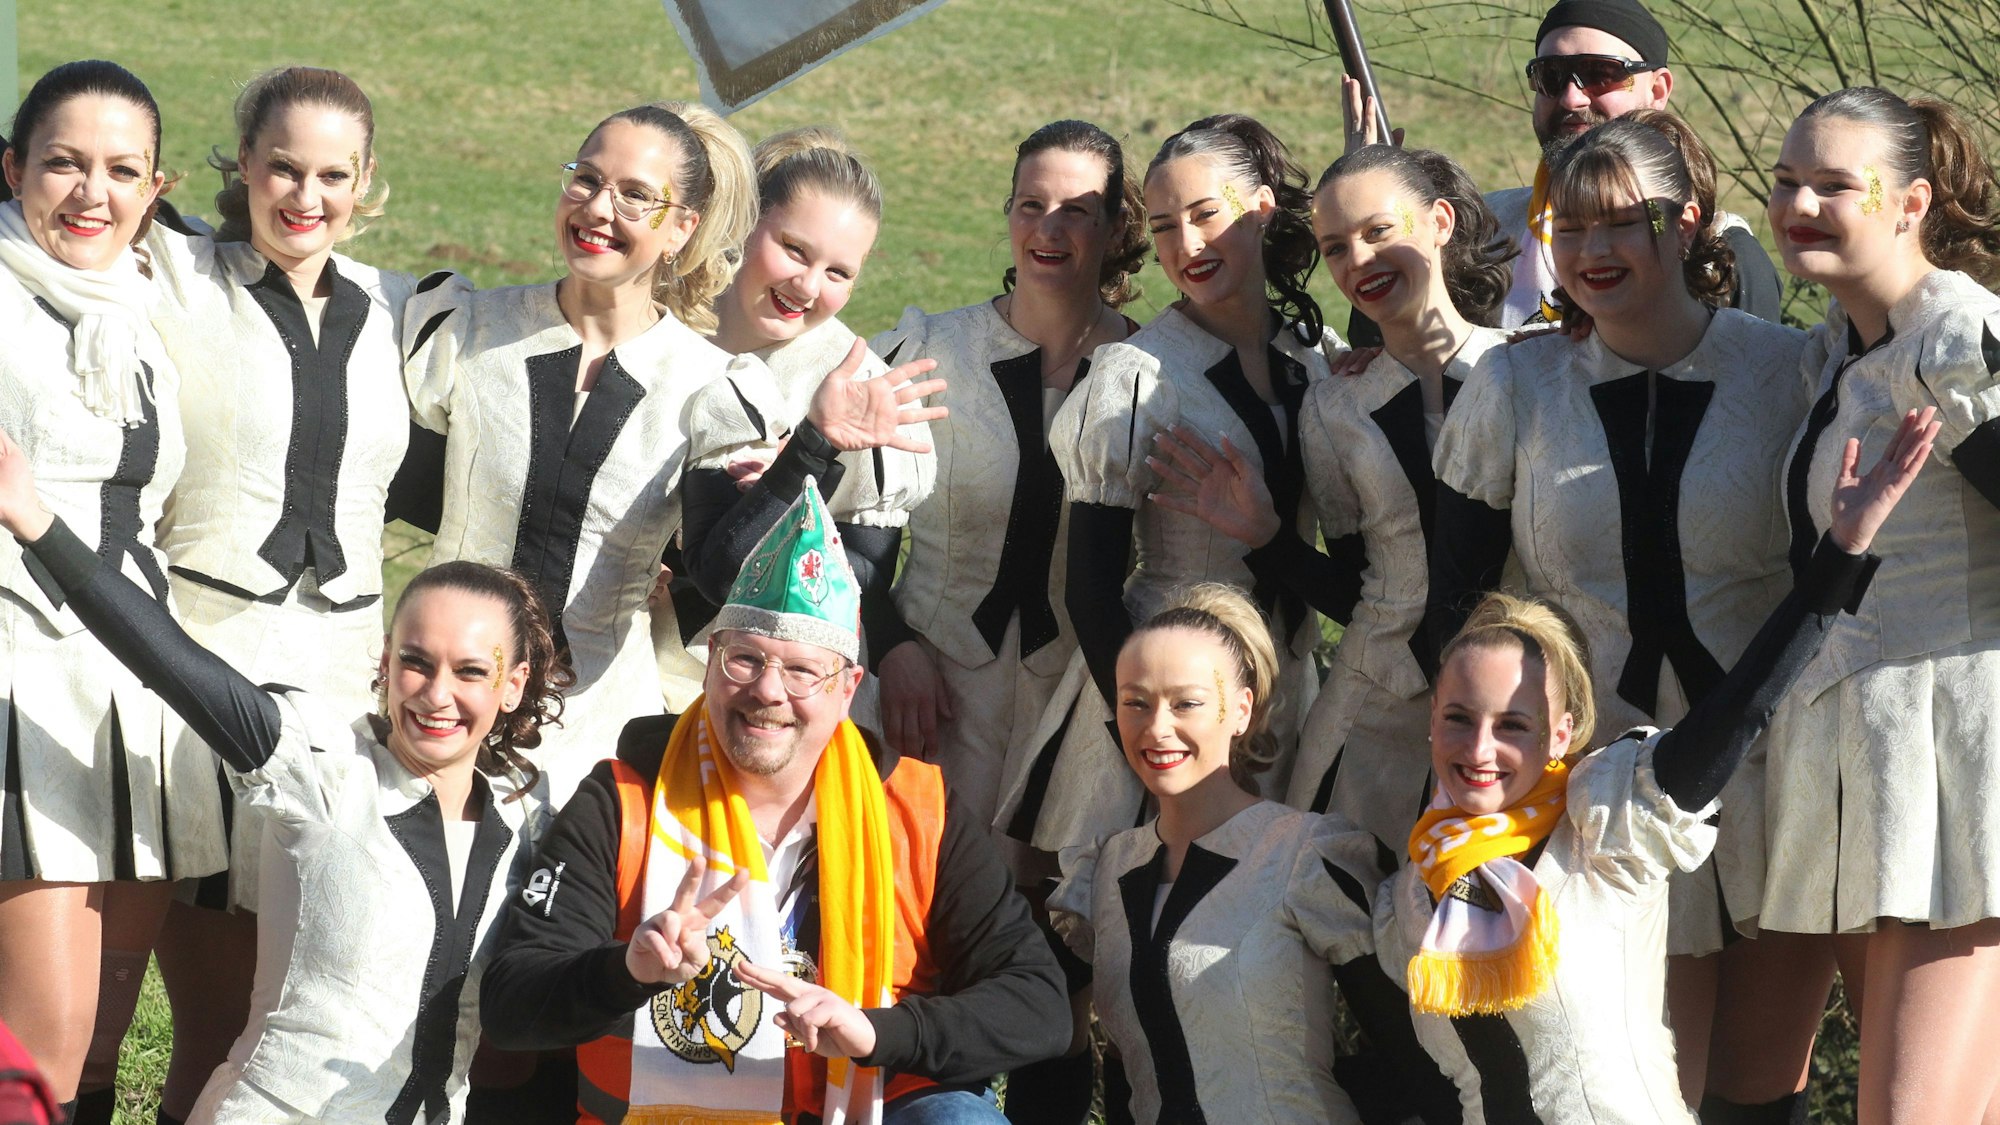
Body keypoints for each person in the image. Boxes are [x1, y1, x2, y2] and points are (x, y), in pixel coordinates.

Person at [0, 418, 572, 1123]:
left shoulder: (528, 815)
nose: (435, 693)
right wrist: (35, 521)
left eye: (470, 671)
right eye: (416, 661)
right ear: (385, 663)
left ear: (513, 684)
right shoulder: (323, 767)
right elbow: (173, 664)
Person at [1377, 393, 1925, 1119]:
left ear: (1562, 733)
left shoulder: (1607, 817)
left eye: (1513, 724)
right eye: (1458, 718)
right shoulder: (1419, 880)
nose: (1480, 747)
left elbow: (1739, 711)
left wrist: (1838, 561)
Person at [1425, 108, 1815, 1101]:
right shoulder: (1513, 383)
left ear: (1686, 223)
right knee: (1637, 1095)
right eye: (1568, 227)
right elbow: (1455, 613)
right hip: (1601, 807)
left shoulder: (1788, 371)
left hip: (1780, 776)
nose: (1590, 252)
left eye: (1617, 224)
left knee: (1758, 1095)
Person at [479, 480, 1070, 1124]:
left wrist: (879, 1032)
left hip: (871, 1102)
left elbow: (1039, 1005)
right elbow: (512, 1003)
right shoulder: (622, 800)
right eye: (745, 659)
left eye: (801, 671)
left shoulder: (918, 808)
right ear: (709, 664)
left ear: (848, 689)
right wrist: (626, 970)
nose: (767, 690)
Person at [1710, 86, 2000, 1125]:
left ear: (1908, 201)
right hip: (1856, 774)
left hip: (1958, 776)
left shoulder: (1956, 337)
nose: (1799, 203)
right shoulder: (1833, 347)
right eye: (1786, 181)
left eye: (1833, 184)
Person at [134, 66, 415, 1125]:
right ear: (240, 164)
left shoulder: (406, 309)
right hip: (197, 667)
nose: (305, 195)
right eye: (282, 167)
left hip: (343, 692)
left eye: (332, 174)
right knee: (206, 1030)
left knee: (293, 1027)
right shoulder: (172, 269)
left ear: (366, 181)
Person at [864, 118, 1146, 1124]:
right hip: (930, 694)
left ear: (1117, 227)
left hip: (1074, 703)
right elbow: (850, 530)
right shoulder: (930, 347)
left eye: (1077, 209)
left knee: (1055, 960)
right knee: (910, 932)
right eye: (1031, 203)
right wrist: (889, 644)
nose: (1049, 228)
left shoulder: (1154, 368)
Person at [1151, 143, 1514, 853]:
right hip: (1373, 712)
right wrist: (1268, 535)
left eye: (1380, 231)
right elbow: (1356, 592)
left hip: (1510, 712)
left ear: (1439, 221)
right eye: (1337, 247)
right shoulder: (1334, 405)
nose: (1361, 262)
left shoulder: (1531, 365)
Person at [995, 113, 1333, 872]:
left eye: (1208, 214)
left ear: (1262, 209)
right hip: (1160, 701)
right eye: (1167, 226)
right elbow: (1091, 588)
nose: (1188, 246)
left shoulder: (1314, 357)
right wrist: (1152, 736)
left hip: (1284, 693)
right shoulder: (1135, 374)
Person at [0, 59, 222, 1124]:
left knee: (97, 1052)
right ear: (14, 169)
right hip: (22, 684)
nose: (92, 193)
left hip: (136, 687)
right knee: (35, 1054)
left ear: (155, 186)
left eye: (121, 170)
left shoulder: (148, 304)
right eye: (63, 164)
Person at [1048, 583, 1451, 1124]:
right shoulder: (1104, 870)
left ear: (1242, 710)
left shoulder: (1306, 856)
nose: (1157, 727)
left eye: (1186, 703)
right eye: (1135, 703)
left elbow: (1418, 1062)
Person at [677, 126, 938, 732]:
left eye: (838, 272)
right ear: (746, 223)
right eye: (794, 250)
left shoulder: (856, 386)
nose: (807, 286)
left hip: (766, 698)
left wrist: (788, 504)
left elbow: (861, 581)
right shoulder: (663, 326)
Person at [1484, 0, 1781, 328]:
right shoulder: (1486, 229)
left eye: (1600, 74)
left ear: (1658, 89)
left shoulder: (1719, 255)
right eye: (1550, 77)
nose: (1571, 98)